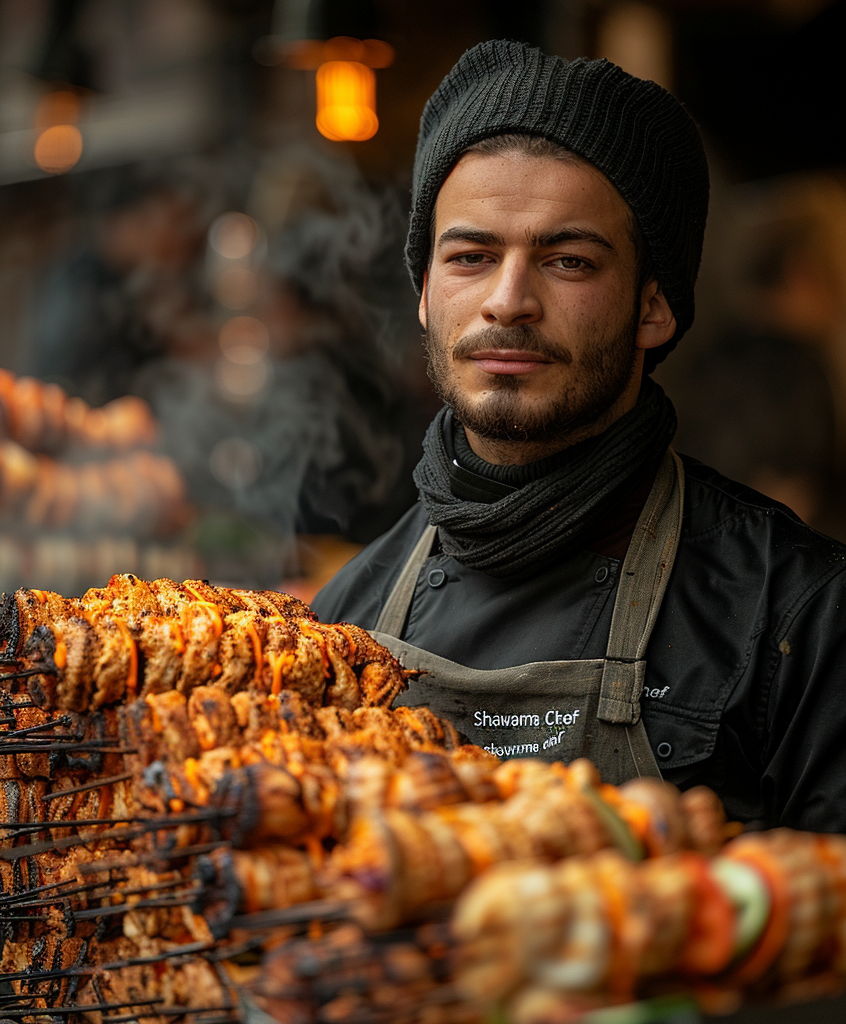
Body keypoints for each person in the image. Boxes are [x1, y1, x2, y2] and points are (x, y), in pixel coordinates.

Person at [311, 39, 846, 832]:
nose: (507, 301)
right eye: (471, 256)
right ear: (425, 292)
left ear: (653, 306)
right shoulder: (341, 625)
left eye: (567, 261)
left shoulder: (797, 614)